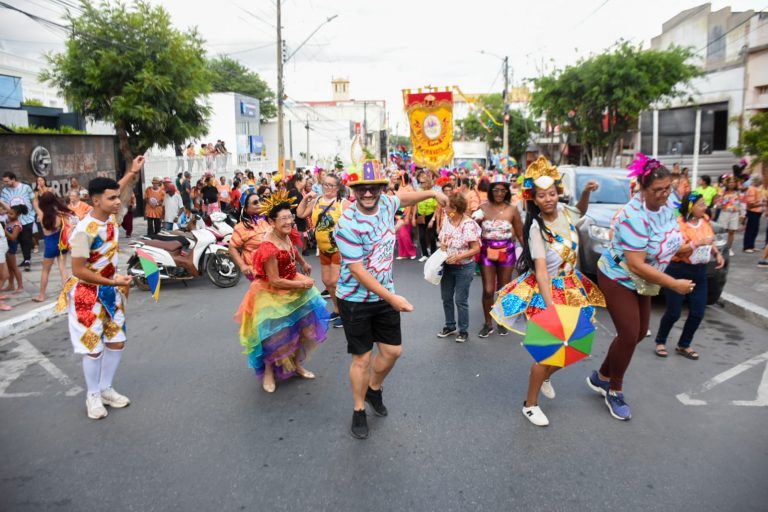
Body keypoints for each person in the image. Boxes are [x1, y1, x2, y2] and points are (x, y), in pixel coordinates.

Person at [335, 160, 448, 439]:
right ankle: (358, 409)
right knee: (362, 358)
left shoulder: (386, 203)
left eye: (374, 188)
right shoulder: (347, 224)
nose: (368, 193)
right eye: (362, 189)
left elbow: (403, 198)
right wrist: (392, 298)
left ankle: (373, 389)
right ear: (353, 191)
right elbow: (357, 271)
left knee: (392, 352)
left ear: (381, 189)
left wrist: (433, 193)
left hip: (385, 295)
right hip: (355, 299)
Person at [490, 157, 603, 426]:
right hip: (547, 291)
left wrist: (587, 192)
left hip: (572, 287)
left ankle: (546, 377)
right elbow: (541, 271)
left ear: (557, 193)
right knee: (546, 352)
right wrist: (550, 307)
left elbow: (580, 210)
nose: (548, 199)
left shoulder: (566, 212)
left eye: (552, 193)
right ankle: (530, 405)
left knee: (577, 343)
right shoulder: (535, 228)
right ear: (535, 199)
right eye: (542, 195)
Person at [588, 154, 692, 421]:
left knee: (638, 333)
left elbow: (667, 236)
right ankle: (614, 390)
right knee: (629, 333)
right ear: (642, 189)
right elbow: (636, 264)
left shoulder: (668, 204)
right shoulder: (633, 216)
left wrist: (684, 247)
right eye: (657, 190)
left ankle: (601, 376)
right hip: (618, 275)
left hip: (644, 278)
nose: (664, 194)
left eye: (668, 187)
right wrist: (674, 284)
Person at [56, 157, 142, 420]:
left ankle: (106, 388)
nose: (118, 201)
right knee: (93, 348)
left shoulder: (110, 218)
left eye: (117, 197)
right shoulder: (83, 232)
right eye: (112, 198)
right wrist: (114, 281)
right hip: (87, 295)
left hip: (110, 293)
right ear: (96, 201)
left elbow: (115, 187)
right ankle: (92, 395)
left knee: (117, 342)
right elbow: (78, 270)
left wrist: (131, 172)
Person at [234, 191, 329, 393]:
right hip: (272, 293)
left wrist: (303, 262)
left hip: (293, 283)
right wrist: (303, 285)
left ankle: (297, 365)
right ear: (271, 222)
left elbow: (292, 248)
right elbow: (275, 281)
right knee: (275, 337)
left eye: (290, 217)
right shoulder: (268, 246)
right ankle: (269, 372)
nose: (288, 222)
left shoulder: (286, 233)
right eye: (283, 219)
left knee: (301, 330)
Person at [654, 192, 725, 360]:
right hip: (678, 270)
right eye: (701, 204)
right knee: (674, 313)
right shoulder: (678, 225)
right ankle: (660, 341)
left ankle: (684, 345)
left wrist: (716, 253)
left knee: (698, 313)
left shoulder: (705, 221)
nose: (704, 207)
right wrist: (696, 244)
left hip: (699, 272)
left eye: (704, 204)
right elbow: (675, 249)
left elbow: (710, 240)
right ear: (691, 207)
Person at [297, 173, 350, 328]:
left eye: (331, 185)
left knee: (335, 282)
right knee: (327, 281)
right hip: (323, 249)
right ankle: (337, 310)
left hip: (338, 249)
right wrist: (306, 198)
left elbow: (355, 225)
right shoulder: (317, 201)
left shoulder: (343, 204)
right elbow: (300, 214)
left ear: (338, 187)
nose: (327, 188)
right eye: (325, 184)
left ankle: (346, 314)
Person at [473, 174, 523, 338]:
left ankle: (501, 321)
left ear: (507, 191)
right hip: (487, 252)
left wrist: (529, 254)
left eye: (502, 190)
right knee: (488, 290)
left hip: (506, 252)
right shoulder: (483, 207)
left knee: (503, 289)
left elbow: (520, 234)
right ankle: (488, 324)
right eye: (496, 190)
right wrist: (476, 220)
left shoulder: (512, 209)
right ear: (490, 191)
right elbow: (472, 230)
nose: (499, 193)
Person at [436, 193, 481, 343]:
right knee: (446, 297)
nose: (444, 208)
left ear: (454, 208)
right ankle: (450, 326)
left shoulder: (468, 225)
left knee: (461, 300)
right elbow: (442, 238)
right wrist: (443, 245)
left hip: (464, 267)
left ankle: (463, 330)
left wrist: (458, 257)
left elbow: (476, 248)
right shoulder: (447, 220)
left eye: (446, 206)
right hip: (447, 266)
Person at [31, 192, 73, 302]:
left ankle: (41, 295)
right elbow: (70, 226)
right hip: (61, 244)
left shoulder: (41, 214)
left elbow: (35, 203)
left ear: (42, 203)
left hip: (50, 246)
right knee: (63, 268)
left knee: (45, 271)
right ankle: (66, 294)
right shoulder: (59, 215)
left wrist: (36, 195)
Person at [229, 191, 271, 281]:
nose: (259, 204)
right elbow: (232, 248)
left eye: (260, 200)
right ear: (245, 209)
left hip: (272, 265)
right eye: (255, 202)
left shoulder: (265, 220)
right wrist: (242, 265)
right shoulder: (241, 227)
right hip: (256, 270)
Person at [1, 172, 35, 271]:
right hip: (12, 220)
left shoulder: (26, 188)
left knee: (26, 239)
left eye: (7, 181)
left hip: (27, 218)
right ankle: (24, 259)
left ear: (13, 179)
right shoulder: (5, 191)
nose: (6, 183)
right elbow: (3, 205)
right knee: (19, 240)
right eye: (4, 181)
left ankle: (27, 260)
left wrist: (37, 213)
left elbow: (34, 201)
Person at [411, 169, 439, 262]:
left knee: (432, 236)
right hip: (421, 215)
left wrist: (432, 220)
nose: (421, 184)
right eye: (420, 182)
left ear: (428, 182)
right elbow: (416, 204)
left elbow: (437, 208)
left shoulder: (434, 192)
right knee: (422, 236)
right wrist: (414, 217)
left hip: (431, 215)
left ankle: (433, 254)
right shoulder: (419, 191)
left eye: (423, 182)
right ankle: (425, 254)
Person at [715, 175, 744, 254]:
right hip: (725, 213)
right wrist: (719, 203)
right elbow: (717, 202)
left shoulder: (739, 193)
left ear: (736, 183)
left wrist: (742, 215)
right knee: (722, 231)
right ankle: (720, 248)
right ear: (727, 183)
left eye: (733, 182)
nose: (731, 184)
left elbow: (742, 204)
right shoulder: (723, 192)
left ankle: (729, 248)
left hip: (734, 214)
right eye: (730, 182)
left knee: (731, 231)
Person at [1, 204, 25, 293]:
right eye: (8, 213)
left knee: (14, 267)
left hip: (11, 247)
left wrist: (5, 231)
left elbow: (13, 237)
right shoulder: (9, 221)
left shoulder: (16, 225)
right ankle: (11, 285)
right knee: (9, 267)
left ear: (17, 215)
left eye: (11, 214)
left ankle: (20, 286)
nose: (9, 215)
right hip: (6, 246)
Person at [394, 173, 417, 260]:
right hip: (399, 211)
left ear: (403, 179)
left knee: (405, 234)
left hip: (407, 211)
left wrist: (408, 216)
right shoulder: (399, 188)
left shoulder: (410, 188)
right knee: (400, 234)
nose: (397, 180)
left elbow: (412, 203)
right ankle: (402, 253)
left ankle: (411, 252)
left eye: (398, 178)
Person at [743, 175, 764, 253]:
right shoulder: (752, 189)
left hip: (757, 212)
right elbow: (750, 203)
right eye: (761, 180)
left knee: (754, 230)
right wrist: (762, 204)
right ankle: (747, 246)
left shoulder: (755, 188)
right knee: (750, 229)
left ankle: (751, 245)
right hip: (753, 212)